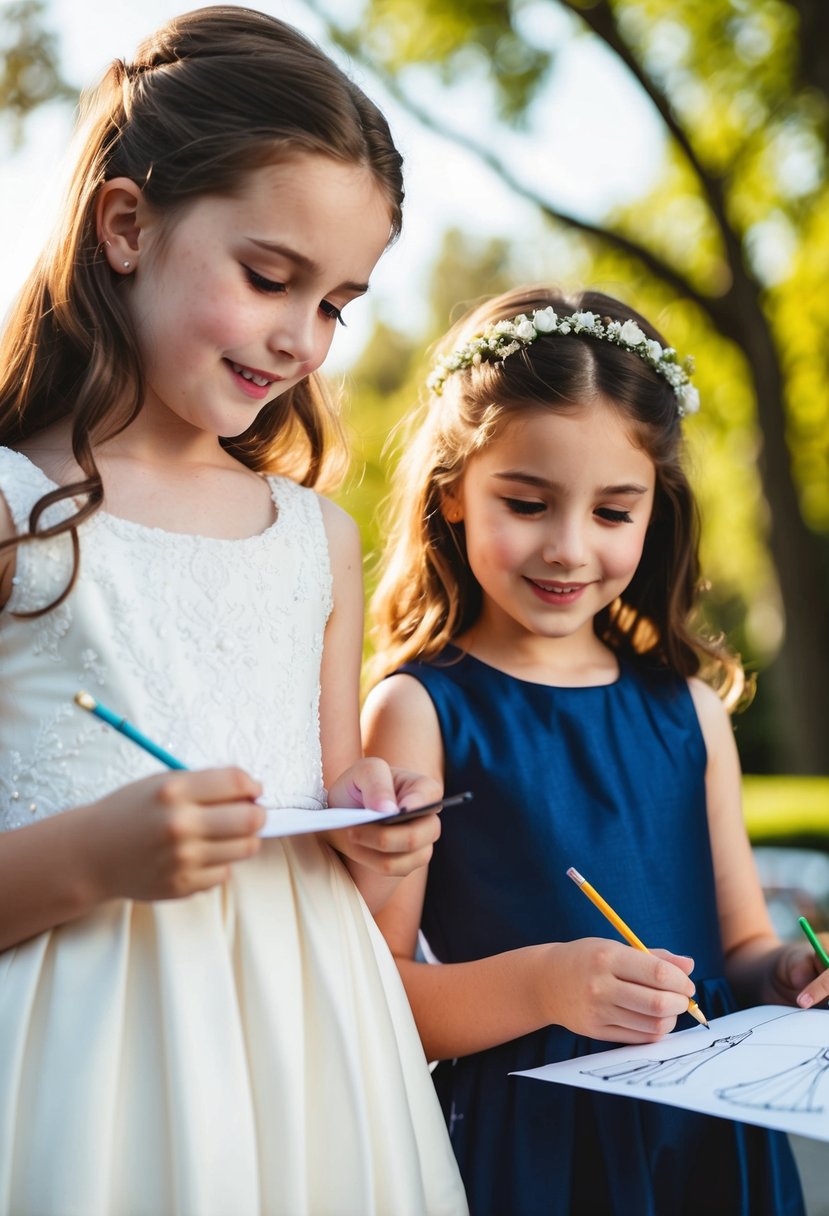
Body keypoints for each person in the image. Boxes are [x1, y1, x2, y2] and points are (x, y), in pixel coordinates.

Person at [0, 9, 468, 1215]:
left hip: (314, 1067)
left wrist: (369, 826)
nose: (300, 339)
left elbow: (330, 823)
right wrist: (97, 853)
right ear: (125, 225)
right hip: (74, 1070)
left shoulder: (316, 539)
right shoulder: (12, 511)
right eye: (269, 277)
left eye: (337, 304)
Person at [362, 284, 829, 1215]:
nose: (569, 549)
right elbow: (372, 1003)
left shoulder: (687, 711)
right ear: (453, 492)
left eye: (613, 513)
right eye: (528, 502)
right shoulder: (420, 710)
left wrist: (782, 972)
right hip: (532, 1152)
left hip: (708, 1140)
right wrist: (543, 985)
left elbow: (737, 944)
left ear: (657, 508)